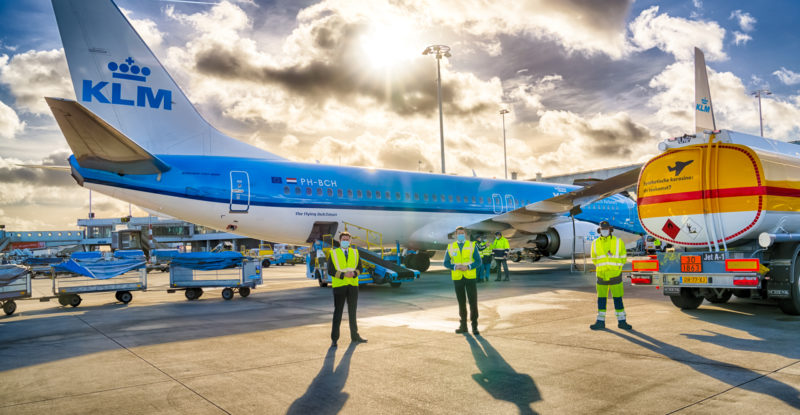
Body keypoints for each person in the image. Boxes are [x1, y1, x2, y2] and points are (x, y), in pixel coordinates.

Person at [327, 232, 368, 347]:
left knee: (352, 312)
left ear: (350, 241)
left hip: (353, 286)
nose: (345, 241)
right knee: (338, 313)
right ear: (339, 241)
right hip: (339, 286)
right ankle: (334, 339)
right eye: (343, 239)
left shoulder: (355, 253)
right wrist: (343, 275)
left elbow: (360, 268)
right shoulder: (333, 253)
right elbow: (330, 270)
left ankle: (355, 336)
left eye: (347, 239)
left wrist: (354, 273)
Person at [589, 221, 632, 330]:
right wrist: (601, 267)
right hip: (602, 274)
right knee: (601, 299)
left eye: (606, 229)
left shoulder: (618, 242)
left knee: (618, 298)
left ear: (610, 230)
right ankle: (600, 322)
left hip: (615, 274)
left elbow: (623, 257)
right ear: (600, 230)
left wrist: (617, 267)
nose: (604, 231)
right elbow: (594, 258)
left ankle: (622, 322)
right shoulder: (595, 243)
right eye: (602, 229)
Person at [443, 227, 482, 334]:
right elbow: (446, 263)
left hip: (470, 277)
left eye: (462, 233)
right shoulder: (451, 247)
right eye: (459, 233)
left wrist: (469, 266)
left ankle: (475, 327)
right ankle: (463, 326)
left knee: (473, 302)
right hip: (457, 278)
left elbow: (478, 261)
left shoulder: (471, 245)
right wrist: (455, 267)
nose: (460, 235)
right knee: (461, 303)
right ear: (455, 235)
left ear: (465, 234)